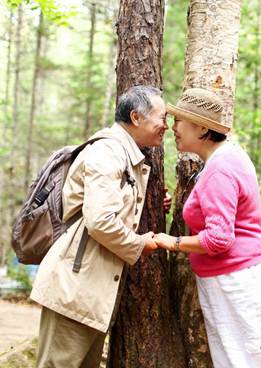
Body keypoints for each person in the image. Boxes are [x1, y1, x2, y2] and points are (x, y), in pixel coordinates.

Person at [30, 85, 168, 368]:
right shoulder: (107, 152)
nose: (166, 125)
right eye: (162, 117)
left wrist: (151, 203)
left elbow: (112, 205)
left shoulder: (126, 153)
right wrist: (141, 244)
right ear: (137, 117)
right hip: (75, 287)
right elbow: (100, 220)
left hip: (91, 290)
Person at [153, 87, 261, 367]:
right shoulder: (222, 160)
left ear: (202, 128)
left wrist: (173, 242)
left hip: (240, 282)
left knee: (259, 362)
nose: (173, 128)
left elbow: (218, 239)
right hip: (230, 280)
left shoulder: (220, 168)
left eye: (179, 120)